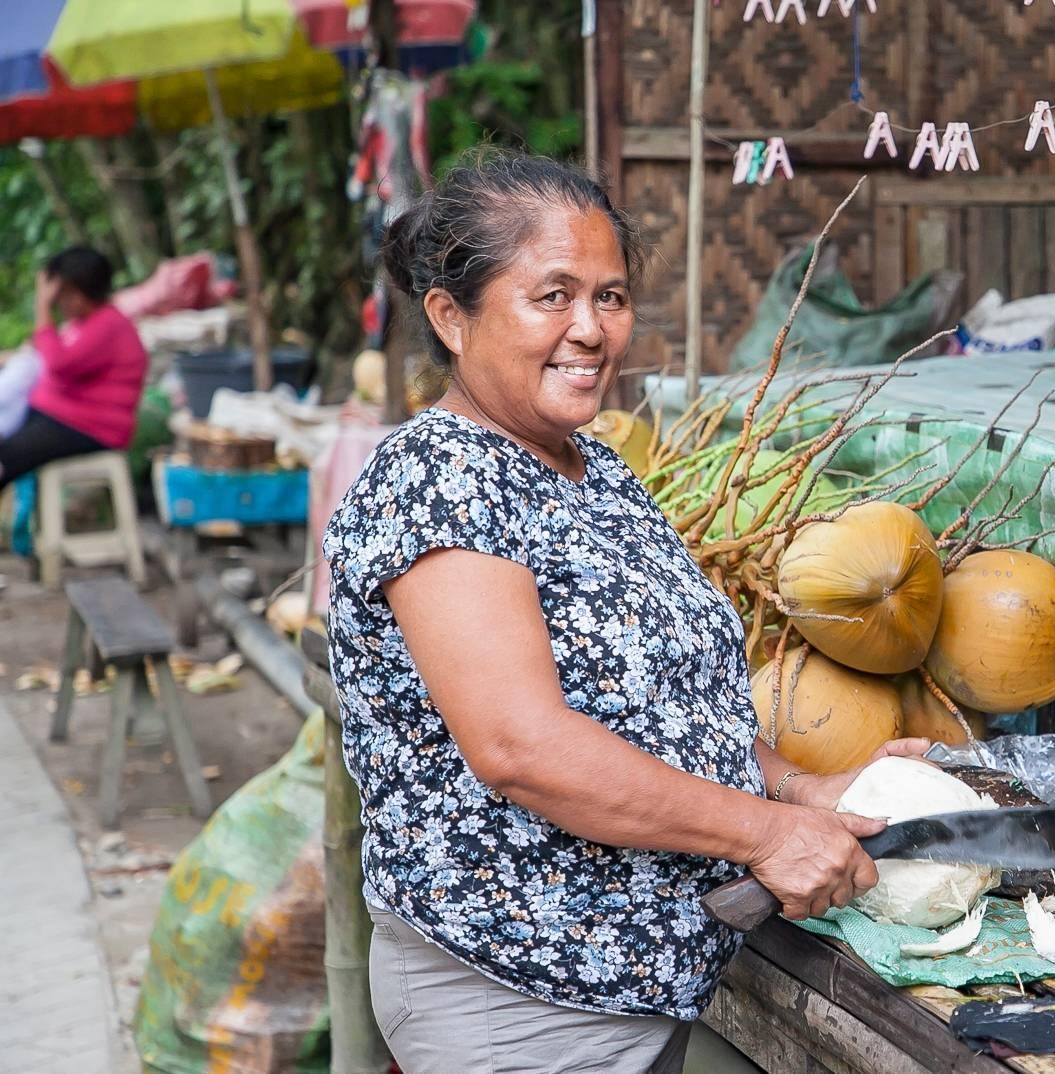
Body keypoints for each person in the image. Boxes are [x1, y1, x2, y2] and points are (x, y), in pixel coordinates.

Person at [322, 151, 925, 1074]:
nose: (591, 329)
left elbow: (669, 712)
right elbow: (523, 748)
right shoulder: (437, 480)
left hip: (625, 990)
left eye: (609, 296)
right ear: (451, 316)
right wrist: (766, 833)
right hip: (519, 998)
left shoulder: (591, 466)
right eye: (552, 295)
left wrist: (806, 791)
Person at [0, 246, 148, 489]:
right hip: (60, 418)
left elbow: (58, 364)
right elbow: (42, 353)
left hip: (89, 428)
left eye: (60, 294)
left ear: (77, 291)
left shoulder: (109, 325)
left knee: (6, 458)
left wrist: (42, 307)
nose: (58, 302)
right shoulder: (84, 324)